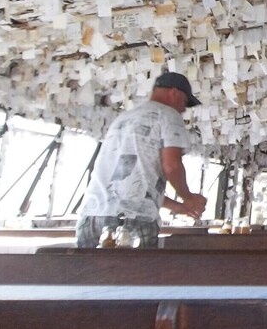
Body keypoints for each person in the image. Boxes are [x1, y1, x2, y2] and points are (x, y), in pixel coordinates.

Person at [76, 72, 208, 248]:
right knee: (136, 276)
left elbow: (129, 185)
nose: (183, 110)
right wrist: (188, 197)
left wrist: (177, 206)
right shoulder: (168, 114)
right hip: (131, 222)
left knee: (89, 275)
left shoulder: (122, 119)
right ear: (175, 93)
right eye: (184, 102)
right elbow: (171, 166)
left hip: (91, 217)